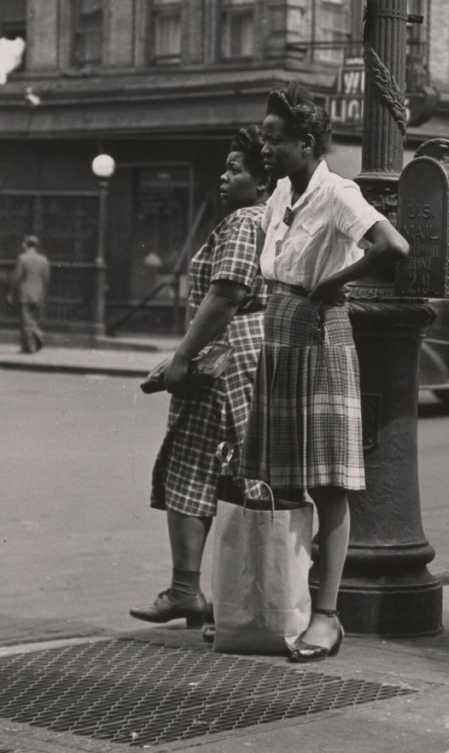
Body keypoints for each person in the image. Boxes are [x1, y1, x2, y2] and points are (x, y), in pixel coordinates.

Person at [239, 82, 409, 663]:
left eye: (275, 139)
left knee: (328, 484)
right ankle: (281, 603)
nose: (266, 148)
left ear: (307, 142)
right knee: (281, 479)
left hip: (320, 332)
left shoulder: (338, 193)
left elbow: (393, 244)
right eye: (264, 138)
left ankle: (327, 616)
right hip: (279, 329)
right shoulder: (281, 192)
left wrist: (337, 281)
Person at [130, 126, 271, 631]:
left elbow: (227, 293)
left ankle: (192, 591)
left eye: (236, 168)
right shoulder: (269, 219)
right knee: (230, 471)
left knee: (194, 467)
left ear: (262, 181)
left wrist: (182, 358)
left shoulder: (244, 222)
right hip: (246, 356)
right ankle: (200, 593)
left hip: (224, 359)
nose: (224, 175)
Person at [7, 235, 50, 353]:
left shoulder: (22, 258)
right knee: (32, 320)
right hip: (38, 294)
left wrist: (11, 293)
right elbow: (46, 279)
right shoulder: (44, 259)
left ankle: (32, 346)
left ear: (26, 244)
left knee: (25, 322)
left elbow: (16, 277)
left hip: (24, 294)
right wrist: (42, 293)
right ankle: (26, 346)